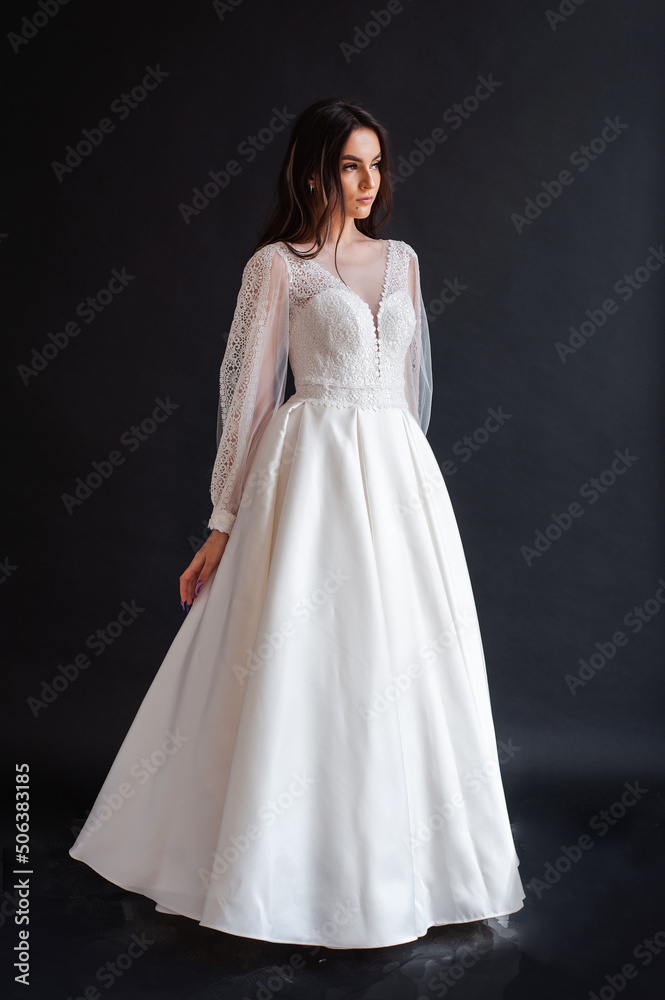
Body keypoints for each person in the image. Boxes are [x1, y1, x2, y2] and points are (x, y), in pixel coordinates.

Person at [69, 97, 525, 950]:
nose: (368, 182)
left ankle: (403, 864)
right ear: (315, 168)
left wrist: (405, 492)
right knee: (300, 658)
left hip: (393, 477)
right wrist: (220, 524)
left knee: (400, 656)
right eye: (351, 165)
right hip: (308, 470)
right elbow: (245, 404)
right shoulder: (277, 267)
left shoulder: (402, 261)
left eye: (377, 164)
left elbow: (410, 384)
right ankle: (270, 863)